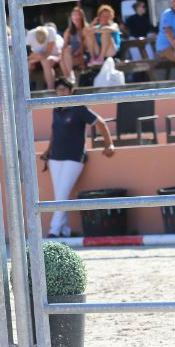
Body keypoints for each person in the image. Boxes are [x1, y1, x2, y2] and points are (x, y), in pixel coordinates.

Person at [41, 77, 115, 238]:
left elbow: (101, 123)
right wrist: (48, 151)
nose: (60, 92)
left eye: (63, 89)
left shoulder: (79, 108)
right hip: (55, 157)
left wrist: (109, 144)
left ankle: (53, 230)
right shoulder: (56, 109)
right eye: (58, 89)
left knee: (61, 194)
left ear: (71, 91)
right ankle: (65, 230)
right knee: (61, 195)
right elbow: (54, 131)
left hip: (74, 157)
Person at [26, 25, 64, 90]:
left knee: (45, 61)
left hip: (52, 57)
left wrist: (37, 57)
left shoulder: (51, 32)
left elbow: (47, 53)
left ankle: (50, 89)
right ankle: (25, 88)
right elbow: (28, 55)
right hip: (39, 58)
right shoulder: (30, 34)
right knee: (27, 64)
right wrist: (33, 58)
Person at [61, 6, 89, 84]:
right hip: (71, 56)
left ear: (82, 17)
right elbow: (64, 47)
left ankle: (69, 79)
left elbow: (85, 45)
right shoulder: (68, 31)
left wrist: (76, 53)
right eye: (74, 15)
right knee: (63, 56)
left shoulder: (86, 29)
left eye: (78, 15)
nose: (76, 17)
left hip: (83, 55)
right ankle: (69, 78)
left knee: (66, 56)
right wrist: (61, 56)